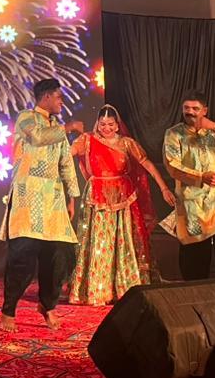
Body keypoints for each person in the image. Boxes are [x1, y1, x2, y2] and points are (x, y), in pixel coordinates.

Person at [0, 78, 83, 332]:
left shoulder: (57, 127)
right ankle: (9, 309)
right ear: (46, 97)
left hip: (53, 200)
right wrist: (68, 127)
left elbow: (66, 163)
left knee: (60, 256)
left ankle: (48, 304)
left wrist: (72, 197)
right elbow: (37, 137)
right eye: (58, 97)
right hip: (28, 196)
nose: (61, 101)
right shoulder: (26, 118)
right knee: (22, 257)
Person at [69, 105, 176, 305]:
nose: (107, 128)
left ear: (117, 125)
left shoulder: (126, 143)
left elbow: (147, 164)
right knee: (100, 242)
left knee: (124, 241)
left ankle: (125, 286)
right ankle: (98, 290)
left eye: (111, 124)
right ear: (97, 124)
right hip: (98, 196)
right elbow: (68, 154)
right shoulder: (87, 140)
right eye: (103, 124)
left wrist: (164, 188)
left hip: (123, 196)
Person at [163, 91, 215, 281]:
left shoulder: (214, 132)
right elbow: (172, 166)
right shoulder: (174, 134)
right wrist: (201, 177)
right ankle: (197, 296)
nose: (190, 112)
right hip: (192, 205)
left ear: (204, 111)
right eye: (186, 108)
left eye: (195, 108)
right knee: (194, 265)